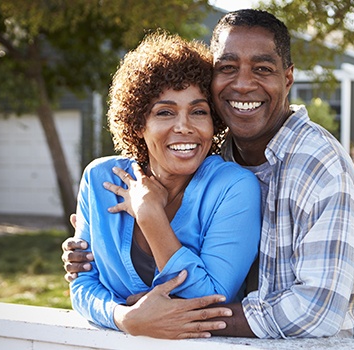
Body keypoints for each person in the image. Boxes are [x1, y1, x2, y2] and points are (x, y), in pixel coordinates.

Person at [63, 9, 354, 340]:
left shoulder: (320, 167)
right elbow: (85, 281)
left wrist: (171, 317)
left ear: (288, 78)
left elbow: (318, 310)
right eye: (227, 68)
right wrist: (125, 316)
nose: (242, 84)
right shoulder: (221, 152)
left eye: (262, 69)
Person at [68, 31, 261, 335]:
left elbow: (211, 300)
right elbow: (81, 284)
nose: (184, 127)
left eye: (198, 111)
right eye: (165, 112)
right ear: (137, 123)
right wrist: (124, 317)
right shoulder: (100, 180)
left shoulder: (233, 188)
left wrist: (149, 214)